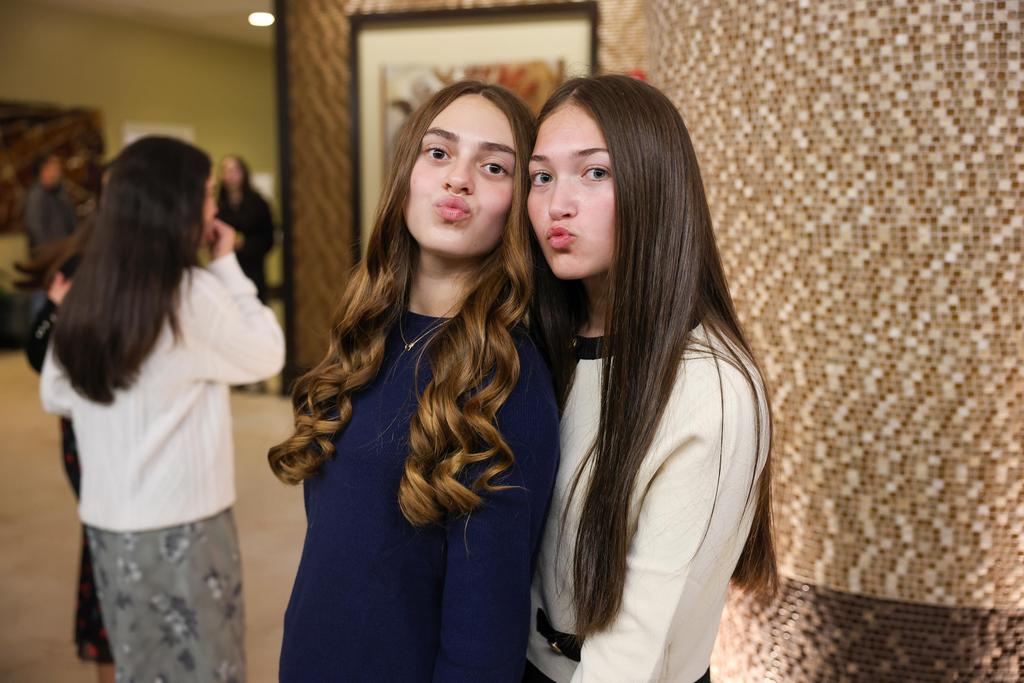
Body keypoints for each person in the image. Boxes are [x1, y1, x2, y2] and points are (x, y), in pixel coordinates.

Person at [268, 80, 559, 681]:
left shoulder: (507, 379)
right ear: (407, 173)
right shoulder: (368, 333)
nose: (458, 179)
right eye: (439, 152)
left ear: (519, 204)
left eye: (494, 166)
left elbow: (484, 641)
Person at [524, 74, 777, 683]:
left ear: (655, 185)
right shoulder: (544, 342)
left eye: (595, 172)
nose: (557, 204)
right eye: (541, 176)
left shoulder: (709, 386)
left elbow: (630, 652)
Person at [39, 136, 285, 680]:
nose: (214, 209)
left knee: (140, 664)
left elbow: (55, 392)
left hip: (108, 524)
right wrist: (227, 265)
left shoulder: (86, 290)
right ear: (175, 205)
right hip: (185, 526)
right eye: (206, 195)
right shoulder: (191, 294)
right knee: (206, 666)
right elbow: (267, 352)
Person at [18, 224, 114, 683]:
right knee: (101, 531)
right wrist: (57, 308)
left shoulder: (141, 269)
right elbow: (37, 354)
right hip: (84, 426)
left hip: (112, 421)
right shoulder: (80, 268)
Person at [217, 155, 275, 302]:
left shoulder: (258, 203)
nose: (230, 176)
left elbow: (269, 239)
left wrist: (244, 244)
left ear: (243, 173)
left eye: (234, 170)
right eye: (226, 171)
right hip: (225, 268)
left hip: (253, 269)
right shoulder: (217, 205)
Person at [24, 152, 78, 251]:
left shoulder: (60, 192)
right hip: (52, 254)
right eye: (55, 167)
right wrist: (53, 251)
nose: (59, 172)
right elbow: (37, 231)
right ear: (44, 170)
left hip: (67, 249)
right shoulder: (36, 196)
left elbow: (72, 223)